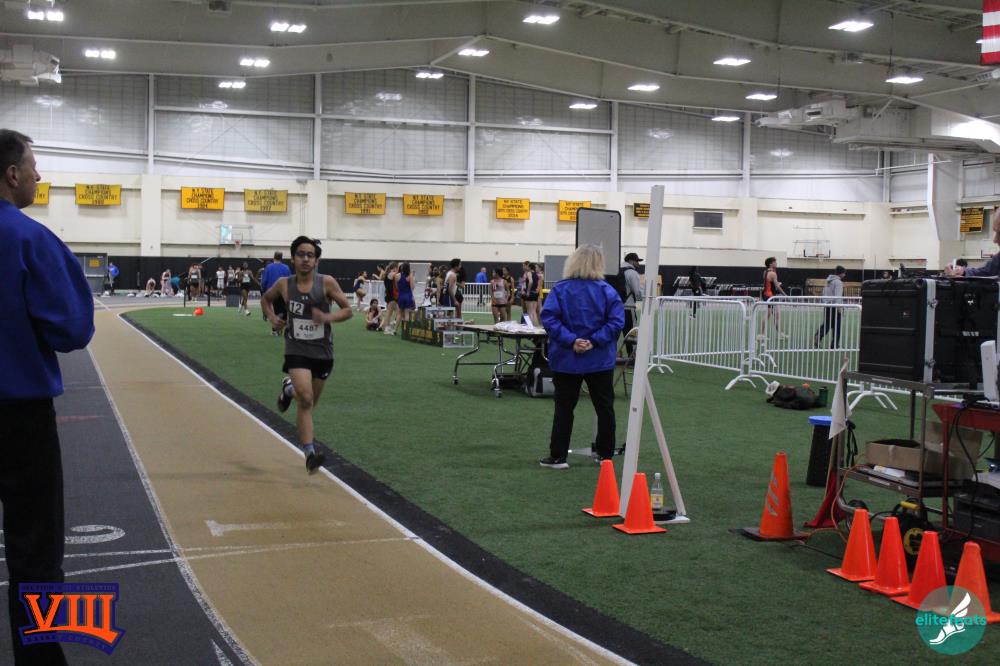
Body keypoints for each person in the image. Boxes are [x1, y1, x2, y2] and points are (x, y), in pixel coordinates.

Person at [0, 129, 95, 666]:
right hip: (19, 419)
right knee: (35, 555)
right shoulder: (31, 239)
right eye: (33, 166)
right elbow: (71, 329)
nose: (38, 175)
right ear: (12, 174)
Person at [262, 236, 352, 473]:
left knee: (309, 403)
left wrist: (327, 317)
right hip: (296, 348)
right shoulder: (284, 284)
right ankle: (310, 453)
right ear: (293, 258)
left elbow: (347, 310)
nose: (305, 259)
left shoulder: (327, 283)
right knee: (306, 398)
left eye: (310, 255)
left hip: (322, 351)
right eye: (301, 254)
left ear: (316, 260)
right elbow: (266, 299)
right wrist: (272, 318)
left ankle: (287, 389)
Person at [539, 244, 624, 469]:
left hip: (567, 359)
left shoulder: (560, 289)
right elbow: (616, 322)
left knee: (564, 408)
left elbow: (549, 318)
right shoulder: (607, 291)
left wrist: (572, 341)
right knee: (604, 407)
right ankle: (605, 455)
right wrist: (594, 341)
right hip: (599, 359)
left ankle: (558, 456)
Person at [946, 210, 1000, 277]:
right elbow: (985, 272)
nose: (995, 240)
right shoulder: (998, 259)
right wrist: (962, 271)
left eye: (999, 233)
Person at [813, 265, 846, 349]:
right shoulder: (838, 282)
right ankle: (834, 345)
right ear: (841, 273)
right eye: (844, 273)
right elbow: (838, 296)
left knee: (827, 324)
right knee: (837, 327)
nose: (845, 275)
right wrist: (839, 308)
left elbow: (824, 292)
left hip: (827, 305)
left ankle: (818, 335)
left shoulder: (828, 281)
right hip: (834, 306)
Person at [261, 251, 292, 335]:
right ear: (281, 258)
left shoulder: (268, 267)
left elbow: (264, 281)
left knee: (275, 311)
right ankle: (281, 327)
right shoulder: (286, 267)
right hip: (283, 292)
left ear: (273, 257)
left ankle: (275, 330)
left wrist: (263, 290)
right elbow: (290, 280)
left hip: (271, 292)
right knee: (282, 310)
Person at [620, 252, 644, 355]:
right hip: (628, 308)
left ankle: (610, 357)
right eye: (637, 261)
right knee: (631, 334)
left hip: (615, 307)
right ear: (631, 261)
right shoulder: (632, 273)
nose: (638, 263)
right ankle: (632, 357)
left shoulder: (617, 271)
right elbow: (637, 292)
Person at [761, 257, 788, 339]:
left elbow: (768, 282)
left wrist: (776, 283)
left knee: (776, 314)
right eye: (774, 262)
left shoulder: (765, 272)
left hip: (767, 295)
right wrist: (785, 295)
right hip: (769, 295)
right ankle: (762, 335)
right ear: (770, 264)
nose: (776, 263)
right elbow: (777, 287)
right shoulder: (773, 273)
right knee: (769, 314)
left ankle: (780, 334)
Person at [381, 261, 400, 334]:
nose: (398, 269)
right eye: (397, 268)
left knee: (396, 312)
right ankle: (386, 328)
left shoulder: (388, 274)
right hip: (391, 296)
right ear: (395, 268)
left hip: (389, 295)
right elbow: (399, 276)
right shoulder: (392, 274)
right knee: (389, 313)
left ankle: (388, 326)